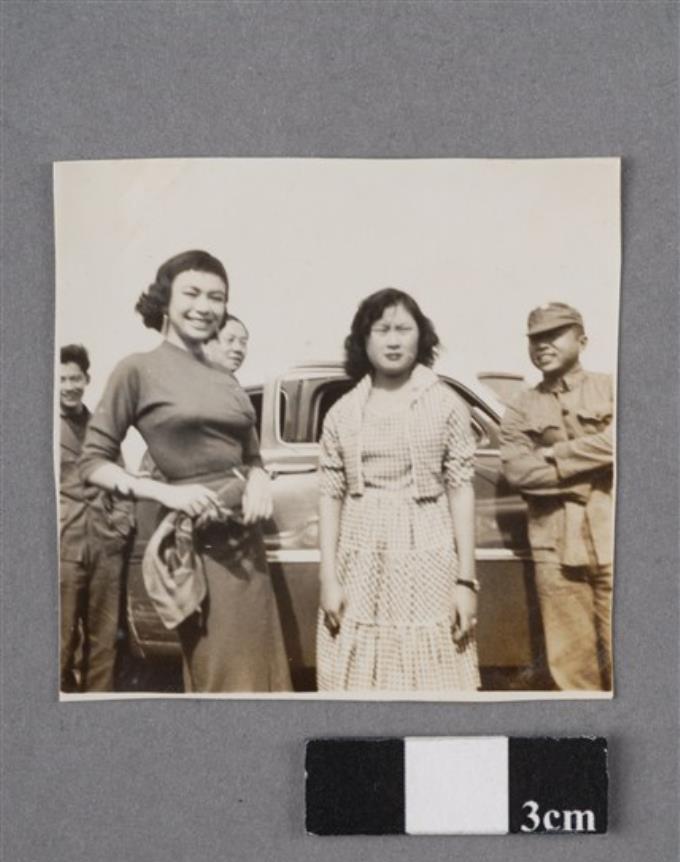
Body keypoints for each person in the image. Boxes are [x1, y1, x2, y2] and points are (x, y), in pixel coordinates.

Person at [79, 250, 291, 694]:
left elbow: (251, 456)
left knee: (262, 670)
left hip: (245, 544)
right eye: (192, 293)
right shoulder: (137, 369)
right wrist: (164, 493)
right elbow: (93, 462)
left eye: (217, 297)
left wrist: (258, 479)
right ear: (165, 299)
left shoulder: (224, 377)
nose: (204, 306)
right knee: (221, 673)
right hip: (198, 542)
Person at [316, 288, 480, 693]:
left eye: (403, 329)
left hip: (427, 553)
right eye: (382, 329)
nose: (393, 341)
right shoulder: (342, 412)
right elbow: (330, 496)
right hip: (360, 557)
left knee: (430, 673)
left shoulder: (446, 404)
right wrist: (328, 578)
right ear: (364, 339)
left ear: (420, 336)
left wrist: (465, 582)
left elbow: (461, 490)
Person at [499, 302, 614, 691]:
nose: (542, 345)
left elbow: (625, 441)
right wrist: (587, 476)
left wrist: (558, 454)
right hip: (554, 549)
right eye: (535, 339)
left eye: (553, 335)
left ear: (582, 341)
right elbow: (518, 471)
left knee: (634, 663)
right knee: (572, 671)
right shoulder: (520, 406)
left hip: (615, 542)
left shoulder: (612, 388)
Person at [59, 344, 133, 692]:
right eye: (62, 379)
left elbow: (122, 480)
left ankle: (94, 711)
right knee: (58, 640)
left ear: (87, 380)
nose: (69, 386)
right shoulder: (41, 428)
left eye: (75, 378)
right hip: (63, 545)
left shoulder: (100, 429)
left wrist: (120, 527)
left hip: (104, 543)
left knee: (104, 641)